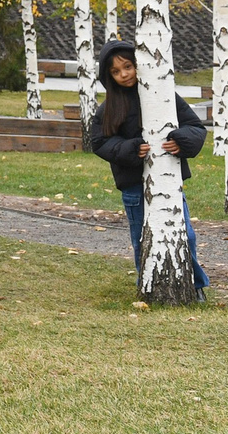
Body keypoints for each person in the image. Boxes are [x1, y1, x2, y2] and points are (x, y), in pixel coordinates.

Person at [89, 40, 209, 296]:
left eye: (128, 67)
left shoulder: (164, 94)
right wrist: (129, 150)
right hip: (133, 186)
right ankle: (149, 284)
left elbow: (196, 128)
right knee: (142, 240)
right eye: (116, 72)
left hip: (169, 184)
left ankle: (194, 286)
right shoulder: (108, 108)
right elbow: (99, 142)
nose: (124, 75)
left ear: (138, 64)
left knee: (185, 235)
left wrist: (181, 140)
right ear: (108, 77)